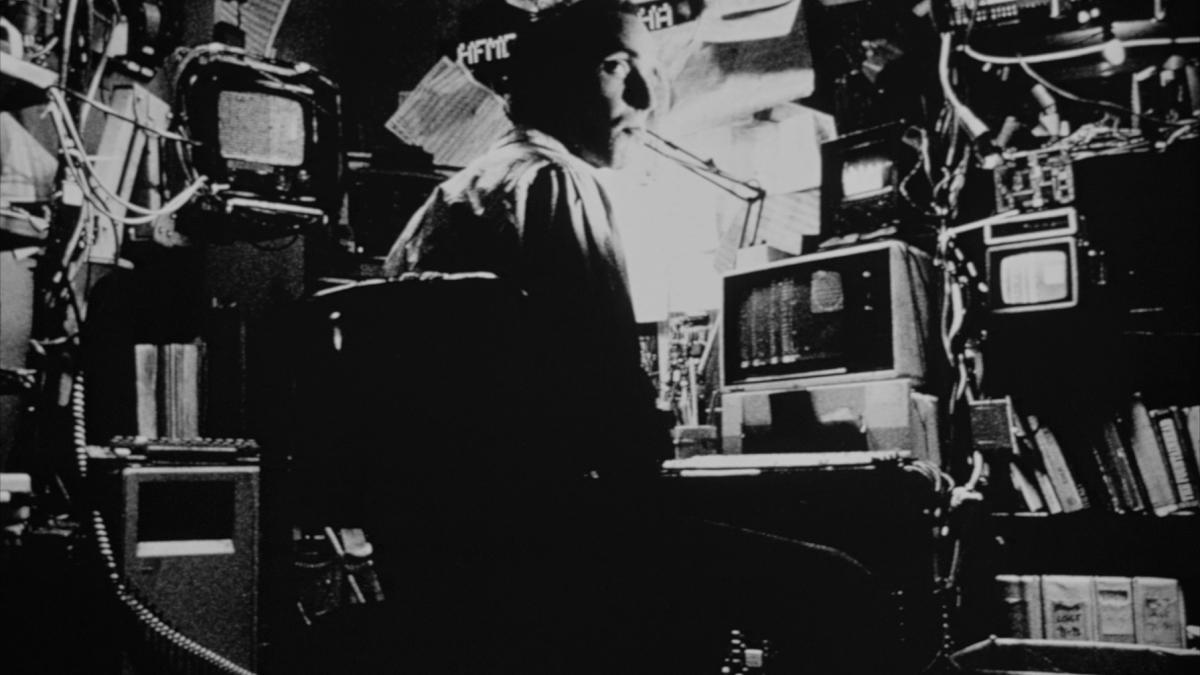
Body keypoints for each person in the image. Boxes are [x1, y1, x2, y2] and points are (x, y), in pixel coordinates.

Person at [383, 0, 670, 484]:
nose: (645, 98)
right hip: (539, 523)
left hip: (448, 522)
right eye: (616, 67)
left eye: (653, 71)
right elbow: (610, 386)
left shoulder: (455, 194)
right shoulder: (555, 181)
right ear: (552, 80)